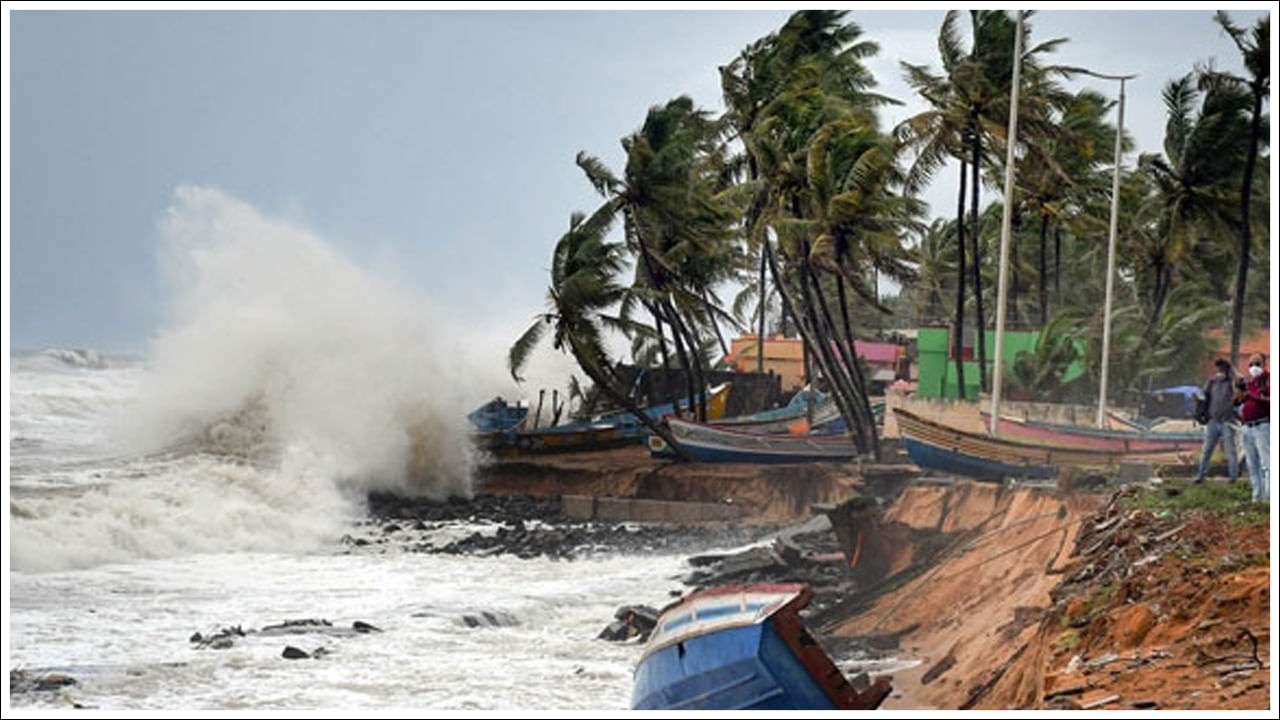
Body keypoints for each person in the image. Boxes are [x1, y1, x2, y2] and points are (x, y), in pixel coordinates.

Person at [1195, 358, 1239, 484]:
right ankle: (1201, 476)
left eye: (1223, 368)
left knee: (1231, 450)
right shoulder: (1211, 383)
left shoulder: (1231, 383)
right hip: (1213, 421)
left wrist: (1232, 372)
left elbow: (1239, 387)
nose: (1220, 371)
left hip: (1227, 421)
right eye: (1218, 368)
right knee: (1207, 449)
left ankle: (1233, 477)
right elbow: (1203, 397)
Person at [1235, 353, 1269, 503]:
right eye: (1250, 364)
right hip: (1247, 427)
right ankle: (1257, 497)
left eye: (1257, 364)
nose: (1253, 367)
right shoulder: (1249, 383)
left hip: (1262, 426)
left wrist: (1252, 396)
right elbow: (1236, 402)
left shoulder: (1268, 381)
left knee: (1266, 463)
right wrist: (1238, 390)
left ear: (1264, 365)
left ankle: (1269, 498)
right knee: (1252, 464)